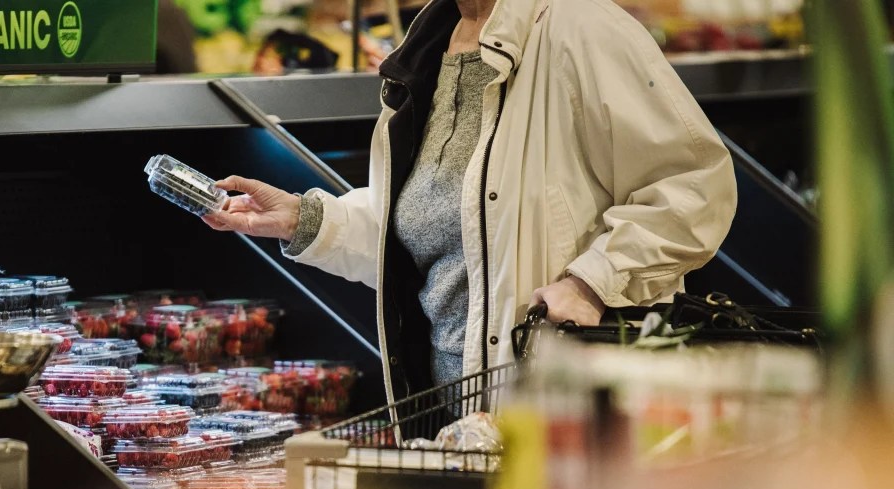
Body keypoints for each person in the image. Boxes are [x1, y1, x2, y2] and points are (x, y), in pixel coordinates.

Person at [201, 0, 736, 402]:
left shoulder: (583, 29)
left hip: (564, 414)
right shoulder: (428, 49)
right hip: (451, 414)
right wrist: (303, 218)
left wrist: (591, 282)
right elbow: (435, 235)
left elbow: (693, 188)